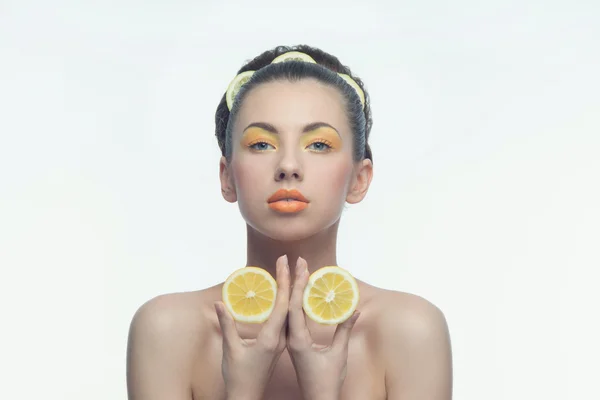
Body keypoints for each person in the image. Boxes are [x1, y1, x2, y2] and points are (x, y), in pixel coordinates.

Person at [126, 44, 453, 400]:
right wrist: (242, 390)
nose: (288, 165)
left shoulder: (410, 332)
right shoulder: (167, 331)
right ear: (227, 176)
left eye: (319, 144)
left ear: (359, 179)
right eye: (262, 144)